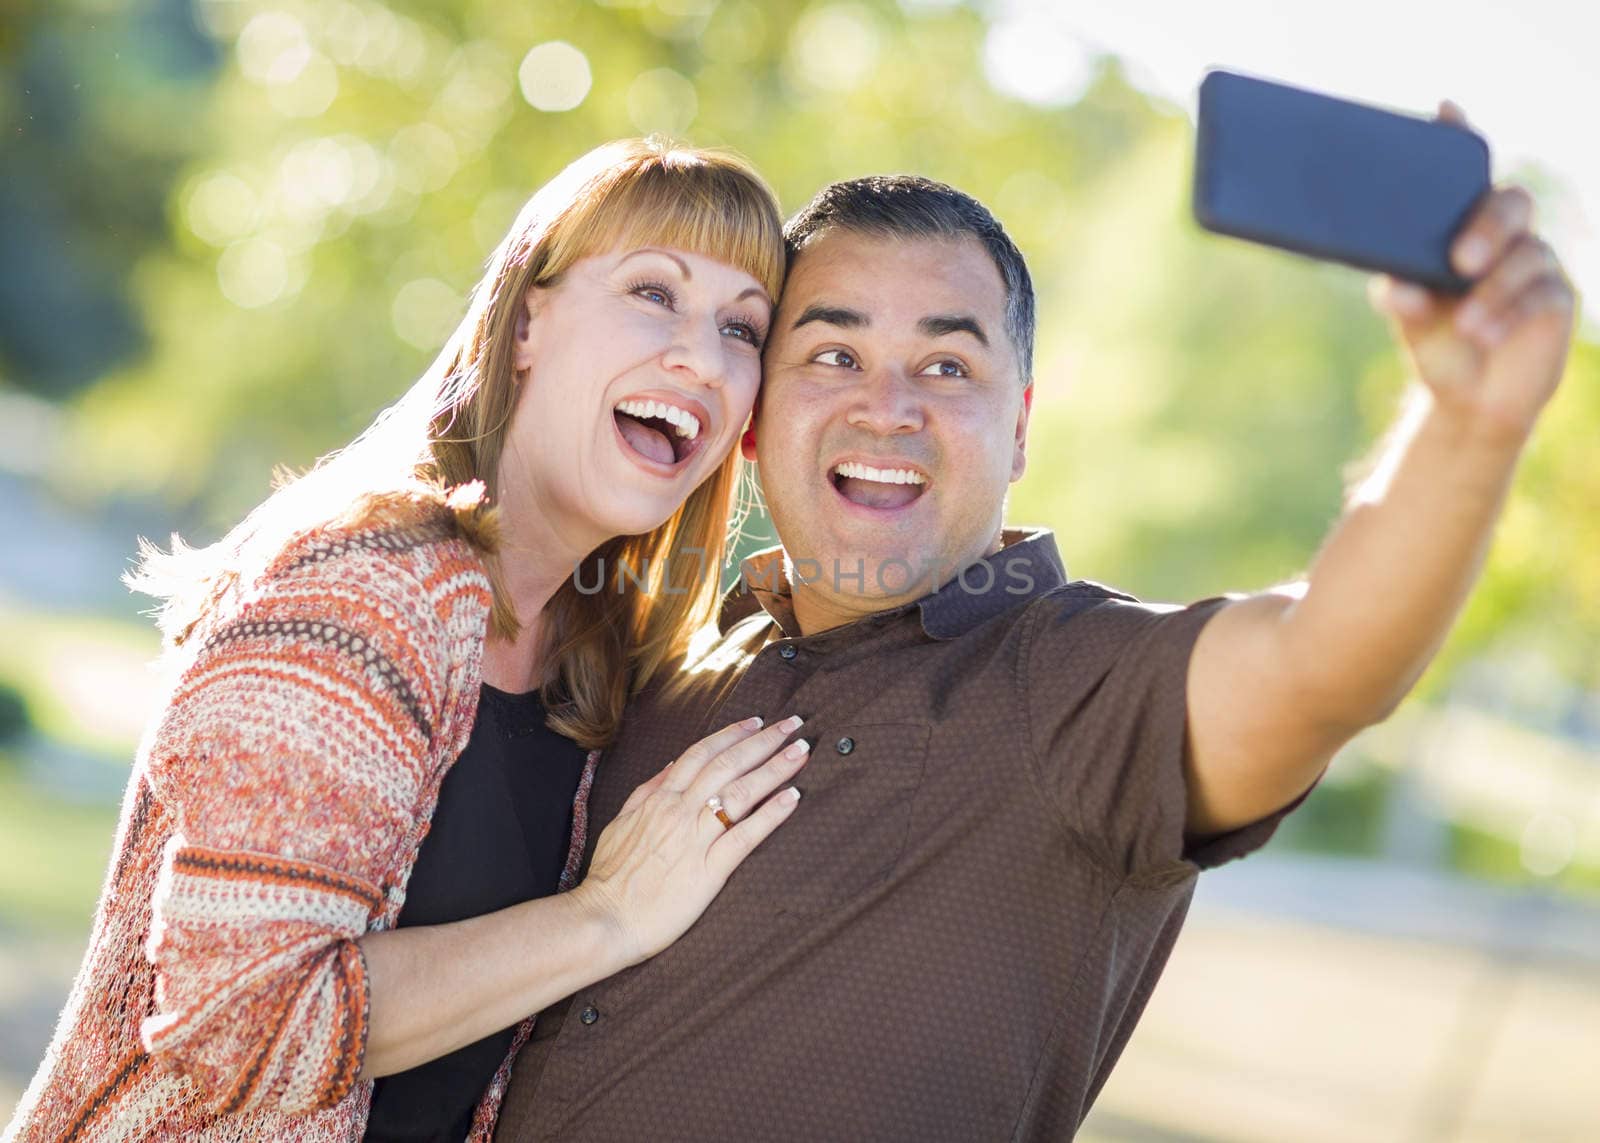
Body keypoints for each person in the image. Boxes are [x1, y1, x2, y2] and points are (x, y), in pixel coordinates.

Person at [492, 110, 1577, 1140]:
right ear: (752, 414)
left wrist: (1466, 428)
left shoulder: (1073, 691)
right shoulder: (658, 656)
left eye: (948, 366)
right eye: (833, 355)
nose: (889, 406)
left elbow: (1317, 667)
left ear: (1016, 431)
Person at [5, 139, 814, 1143]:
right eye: (655, 293)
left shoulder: (597, 647)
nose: (700, 356)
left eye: (743, 328)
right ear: (528, 322)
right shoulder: (361, 591)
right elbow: (237, 1029)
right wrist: (605, 917)